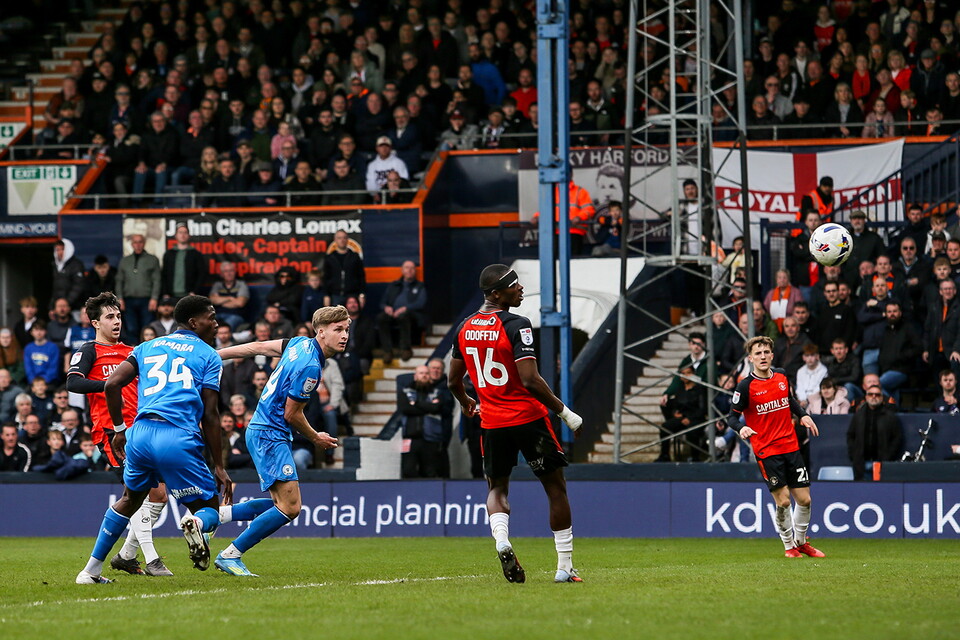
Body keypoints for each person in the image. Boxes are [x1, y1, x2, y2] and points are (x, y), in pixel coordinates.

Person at [75, 295, 232, 584]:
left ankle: (90, 571)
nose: (216, 324)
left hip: (139, 434)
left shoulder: (146, 347)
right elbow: (211, 415)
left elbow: (112, 384)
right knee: (208, 509)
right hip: (177, 435)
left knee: (129, 500)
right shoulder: (209, 355)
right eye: (211, 318)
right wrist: (219, 465)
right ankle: (194, 523)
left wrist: (120, 430)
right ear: (193, 322)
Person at [448, 264, 585, 584]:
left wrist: (466, 401)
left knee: (496, 488)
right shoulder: (517, 324)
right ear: (496, 294)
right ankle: (564, 567)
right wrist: (565, 413)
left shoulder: (464, 327)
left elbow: (453, 381)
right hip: (528, 419)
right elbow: (530, 379)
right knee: (555, 488)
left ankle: (502, 541)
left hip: (492, 423)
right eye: (514, 285)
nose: (520, 288)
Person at [212, 306, 346, 577]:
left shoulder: (298, 344)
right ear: (321, 332)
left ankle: (213, 517)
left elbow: (257, 347)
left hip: (262, 430)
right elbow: (291, 413)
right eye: (338, 329)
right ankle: (230, 554)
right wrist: (315, 437)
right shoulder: (311, 367)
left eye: (346, 329)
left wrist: (216, 355)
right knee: (290, 507)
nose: (344, 335)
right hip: (270, 434)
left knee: (282, 504)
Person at [67, 291, 174, 576]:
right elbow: (73, 383)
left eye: (118, 316)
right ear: (95, 323)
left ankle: (126, 555)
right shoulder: (89, 351)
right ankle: (152, 559)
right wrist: (109, 384)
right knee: (136, 493)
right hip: (113, 433)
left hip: (143, 431)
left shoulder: (133, 351)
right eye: (109, 317)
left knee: (159, 495)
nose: (116, 322)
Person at [728, 336, 824, 558]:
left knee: (805, 500)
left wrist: (803, 415)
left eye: (766, 352)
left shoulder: (781, 375)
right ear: (750, 358)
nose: (762, 356)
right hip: (767, 450)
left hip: (790, 446)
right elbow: (731, 417)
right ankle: (789, 546)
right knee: (783, 501)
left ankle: (801, 542)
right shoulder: (745, 386)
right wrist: (741, 428)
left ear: (772, 355)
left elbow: (789, 400)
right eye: (758, 353)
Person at [397, 364, 452, 478]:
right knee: (408, 469)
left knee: (430, 471)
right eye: (421, 373)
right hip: (409, 438)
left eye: (426, 373)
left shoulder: (437, 392)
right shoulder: (406, 391)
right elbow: (405, 408)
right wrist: (427, 407)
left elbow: (436, 408)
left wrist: (415, 403)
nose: (424, 376)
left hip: (431, 438)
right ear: (415, 376)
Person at [846, 385, 903, 480]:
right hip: (861, 464)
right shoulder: (858, 415)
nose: (873, 397)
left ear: (882, 397)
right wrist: (854, 455)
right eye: (870, 394)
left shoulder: (890, 416)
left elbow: (897, 438)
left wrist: (888, 456)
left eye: (877, 395)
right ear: (866, 397)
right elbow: (850, 435)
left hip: (882, 464)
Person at [376, 260, 427, 363]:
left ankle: (405, 349)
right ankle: (387, 351)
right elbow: (383, 302)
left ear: (415, 271)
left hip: (412, 315)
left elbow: (421, 303)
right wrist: (386, 307)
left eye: (412, 268)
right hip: (393, 313)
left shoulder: (420, 286)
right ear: (402, 270)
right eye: (407, 268)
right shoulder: (394, 285)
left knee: (404, 316)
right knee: (381, 318)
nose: (409, 270)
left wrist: (406, 308)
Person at [116, 233, 161, 344]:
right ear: (132, 244)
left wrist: (154, 298)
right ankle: (133, 350)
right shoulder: (125, 261)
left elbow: (157, 280)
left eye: (140, 242)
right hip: (128, 300)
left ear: (144, 243)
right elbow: (119, 280)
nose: (138, 245)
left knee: (147, 328)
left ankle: (147, 350)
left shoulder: (152, 260)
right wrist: (120, 298)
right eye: (135, 242)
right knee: (131, 328)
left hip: (147, 299)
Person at [161, 223, 206, 300]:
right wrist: (165, 293)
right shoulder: (168, 254)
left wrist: (195, 291)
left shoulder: (196, 254)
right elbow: (164, 274)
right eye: (180, 232)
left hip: (190, 295)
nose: (183, 235)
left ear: (189, 236)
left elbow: (201, 274)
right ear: (176, 235)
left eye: (185, 232)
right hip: (171, 296)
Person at [322, 230, 366, 306]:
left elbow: (361, 276)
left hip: (353, 295)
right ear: (335, 240)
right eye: (339, 238)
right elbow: (326, 277)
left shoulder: (355, 257)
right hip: (335, 295)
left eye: (344, 238)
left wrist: (362, 294)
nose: (342, 240)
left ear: (347, 239)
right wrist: (326, 295)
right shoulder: (329, 258)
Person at [208, 260, 251, 330]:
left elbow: (240, 303)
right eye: (226, 271)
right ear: (221, 274)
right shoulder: (217, 285)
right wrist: (230, 298)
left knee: (225, 327)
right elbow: (212, 300)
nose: (229, 273)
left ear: (235, 272)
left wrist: (220, 302)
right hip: (217, 315)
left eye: (231, 271)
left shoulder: (241, 285)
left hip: (235, 315)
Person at [51, 239, 86, 314]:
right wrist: (52, 307)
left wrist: (67, 303)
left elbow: (78, 286)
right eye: (57, 250)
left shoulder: (76, 265)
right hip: (60, 309)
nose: (60, 252)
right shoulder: (56, 266)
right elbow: (56, 289)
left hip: (75, 308)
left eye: (62, 249)